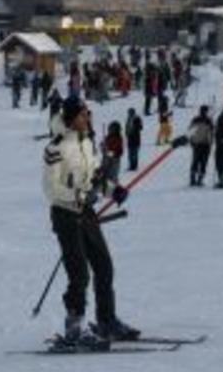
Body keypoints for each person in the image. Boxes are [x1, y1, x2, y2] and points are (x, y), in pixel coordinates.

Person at [42, 96, 135, 344]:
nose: (88, 117)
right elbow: (50, 188)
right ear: (72, 118)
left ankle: (106, 321)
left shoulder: (86, 142)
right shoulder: (56, 148)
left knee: (104, 266)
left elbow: (94, 179)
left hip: (85, 212)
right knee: (79, 274)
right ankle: (74, 326)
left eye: (88, 113)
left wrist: (113, 190)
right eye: (83, 114)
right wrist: (75, 195)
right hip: (65, 215)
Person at [188, 105, 214, 187]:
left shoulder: (195, 119)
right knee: (203, 163)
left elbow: (190, 131)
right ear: (206, 111)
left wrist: (191, 142)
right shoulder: (209, 121)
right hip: (205, 144)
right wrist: (211, 143)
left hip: (196, 144)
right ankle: (200, 180)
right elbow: (211, 134)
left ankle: (192, 179)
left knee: (195, 162)